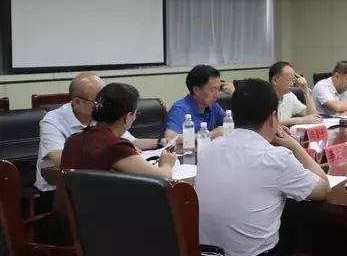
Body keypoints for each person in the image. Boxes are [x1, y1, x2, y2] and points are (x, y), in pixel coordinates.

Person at [196, 79, 330, 256]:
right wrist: (294, 145)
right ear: (272, 118)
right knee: (307, 239)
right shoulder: (275, 158)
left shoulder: (209, 148)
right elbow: (323, 188)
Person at [35, 72, 161, 210]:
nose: (106, 105)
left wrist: (161, 142)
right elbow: (62, 158)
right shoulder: (52, 121)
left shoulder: (102, 119)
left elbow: (130, 141)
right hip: (55, 190)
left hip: (93, 191)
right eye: (99, 101)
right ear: (77, 102)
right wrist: (116, 152)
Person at [61, 83, 176, 178]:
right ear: (127, 117)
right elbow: (162, 176)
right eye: (136, 114)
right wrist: (167, 164)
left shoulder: (73, 139)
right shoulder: (116, 147)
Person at [163, 65, 227, 142]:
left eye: (218, 89)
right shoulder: (180, 109)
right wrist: (209, 135)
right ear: (196, 90)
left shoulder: (213, 106)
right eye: (213, 90)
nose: (217, 95)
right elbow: (169, 138)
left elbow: (232, 124)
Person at [269, 61, 321, 127]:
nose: (292, 84)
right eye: (288, 80)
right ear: (275, 80)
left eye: (293, 80)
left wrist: (306, 91)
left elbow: (312, 116)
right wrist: (300, 120)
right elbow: (268, 124)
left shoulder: (290, 96)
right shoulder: (263, 97)